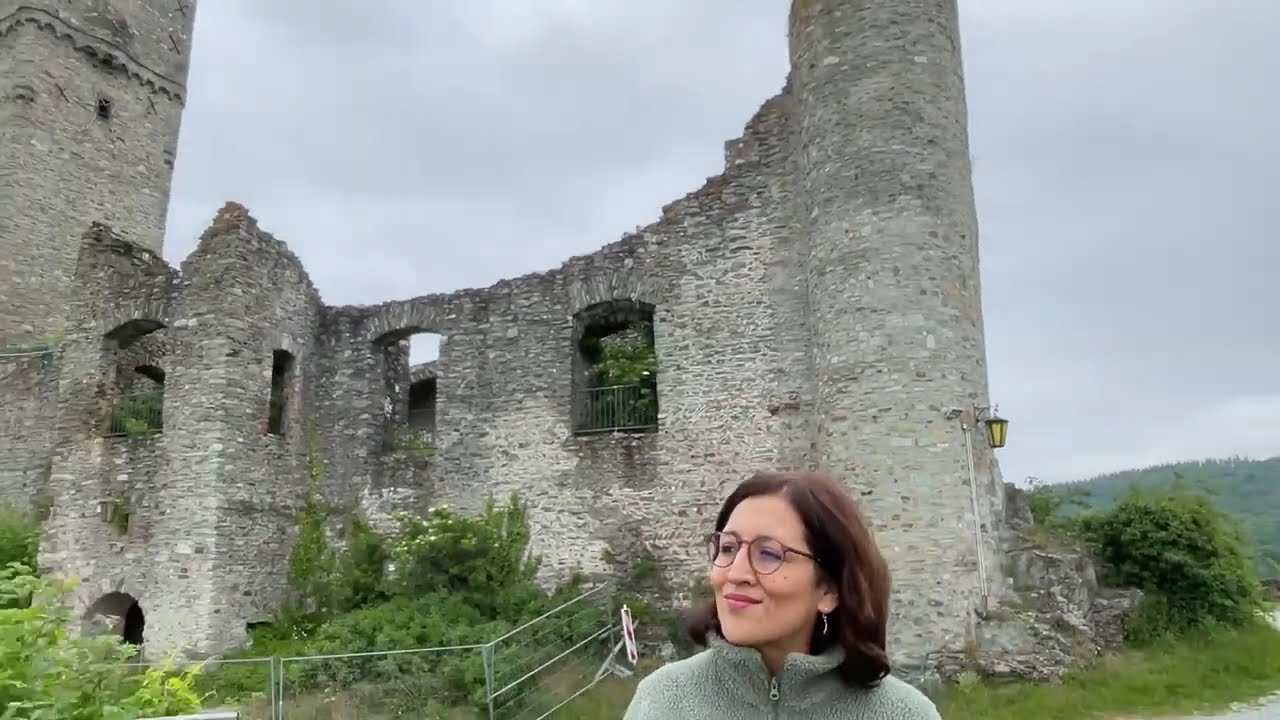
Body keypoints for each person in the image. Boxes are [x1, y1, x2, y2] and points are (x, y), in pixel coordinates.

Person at [622, 470, 942, 719]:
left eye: (769, 554)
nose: (736, 573)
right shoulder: (662, 701)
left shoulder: (905, 714)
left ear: (828, 588)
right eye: (728, 548)